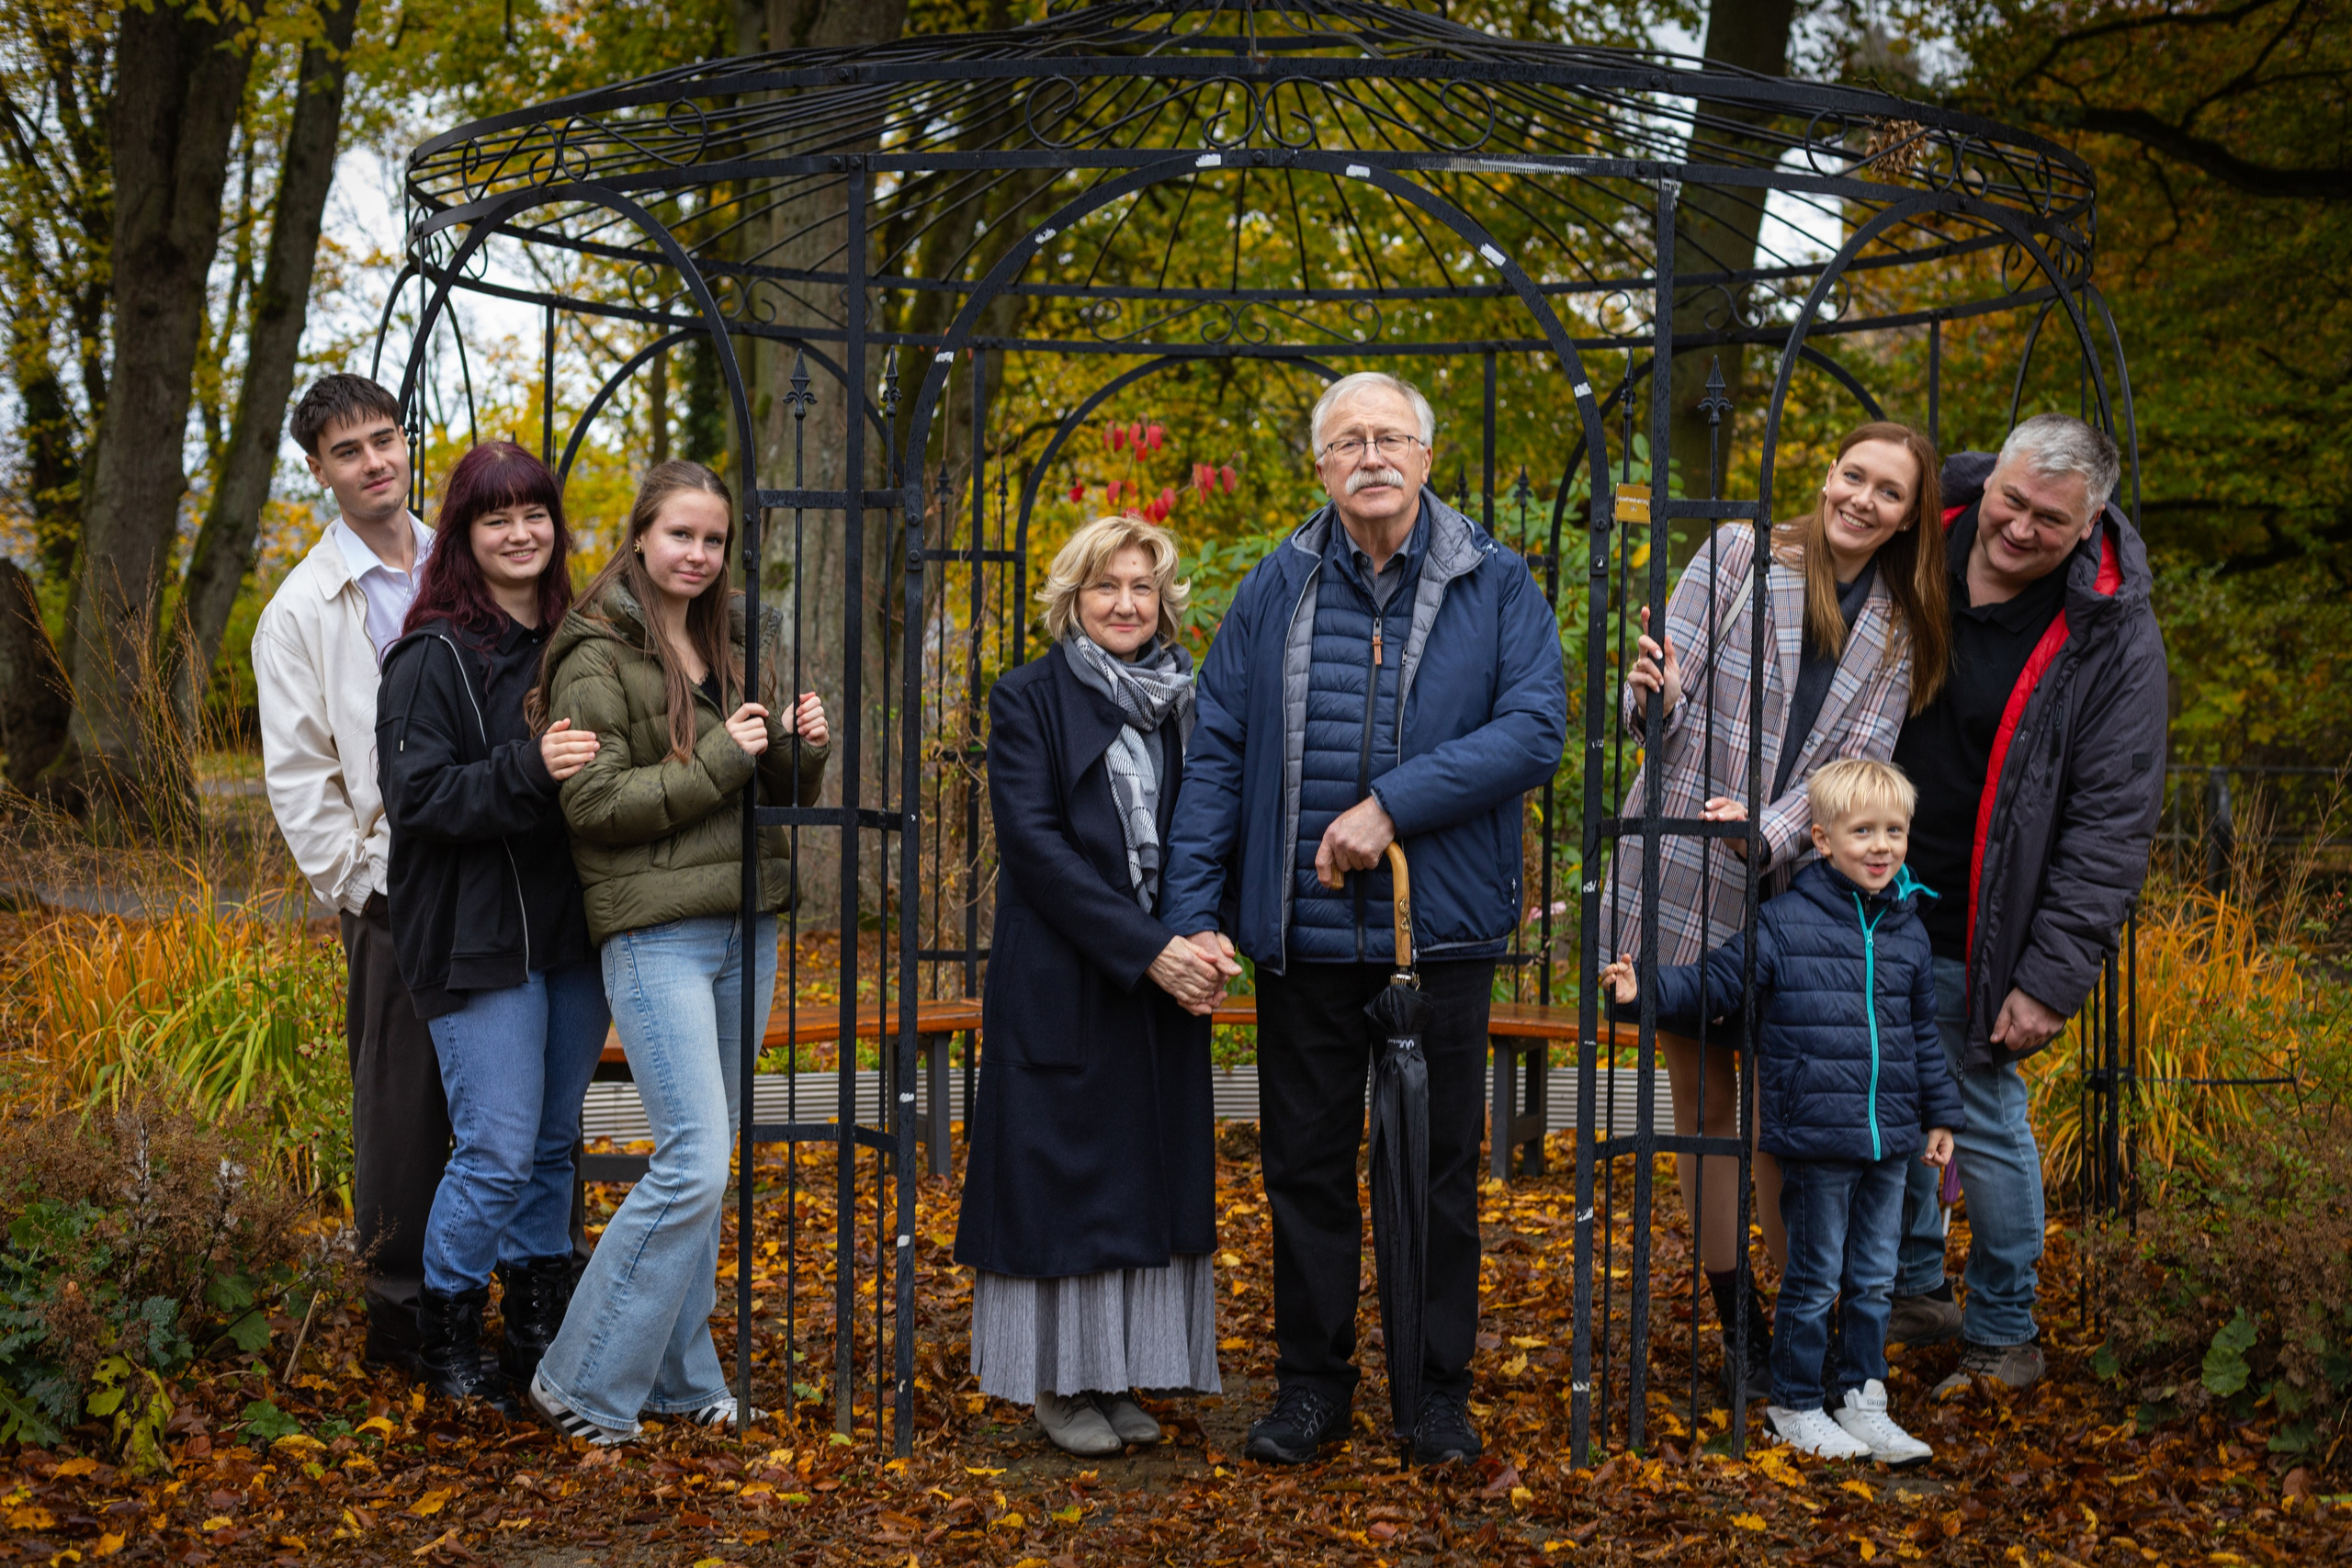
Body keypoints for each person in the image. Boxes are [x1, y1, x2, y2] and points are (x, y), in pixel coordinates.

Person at [1161, 371, 1567, 1467]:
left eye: (1391, 437)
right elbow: (1219, 759)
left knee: (1436, 1169)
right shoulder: (1275, 586)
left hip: (1439, 937)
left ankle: (1435, 1395)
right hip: (1300, 934)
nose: (1371, 456)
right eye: (1349, 442)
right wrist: (1194, 914)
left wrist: (1390, 807)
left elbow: (1535, 730)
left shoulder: (1496, 581)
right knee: (1302, 1165)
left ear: (1427, 459)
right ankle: (1312, 1387)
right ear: (1322, 467)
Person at [1608, 422, 1950, 1401]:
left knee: (1779, 1119)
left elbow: (1857, 768)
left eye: (1888, 492)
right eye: (1852, 476)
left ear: (1909, 515)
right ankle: (1736, 1319)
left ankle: (1810, 1317)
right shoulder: (1737, 555)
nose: (1861, 500)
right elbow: (1655, 711)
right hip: (1676, 863)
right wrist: (1653, 694)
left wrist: (1767, 831)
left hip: (1795, 887)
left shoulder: (1899, 626)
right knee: (1704, 1107)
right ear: (1826, 475)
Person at [524, 459, 831, 1444]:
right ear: (641, 537)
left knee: (712, 1159)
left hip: (749, 921)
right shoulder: (594, 653)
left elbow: (772, 784)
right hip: (655, 933)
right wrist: (723, 758)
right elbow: (598, 806)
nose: (697, 555)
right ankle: (578, 1380)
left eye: (713, 540)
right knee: (695, 1163)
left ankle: (678, 1379)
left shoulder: (736, 641)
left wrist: (799, 745)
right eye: (679, 536)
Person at [1885, 414, 2167, 1394]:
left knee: (1982, 1115)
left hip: (1987, 916)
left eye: (2048, 519)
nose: (2017, 527)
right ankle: (1914, 1290)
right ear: (1989, 477)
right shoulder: (1914, 532)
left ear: (2088, 520)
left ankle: (2004, 1334)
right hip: (1863, 890)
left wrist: (2049, 977)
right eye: (2010, 500)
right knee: (1887, 1102)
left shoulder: (2111, 628)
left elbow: (2110, 820)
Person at [953, 513, 1227, 1457]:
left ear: (1163, 602)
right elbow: (1035, 849)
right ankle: (1057, 1385)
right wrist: (1145, 948)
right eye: (1104, 586)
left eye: (1141, 587)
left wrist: (1197, 938)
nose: (1123, 603)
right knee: (1062, 1181)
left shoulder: (1190, 701)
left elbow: (1207, 830)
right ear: (1072, 598)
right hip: (1065, 975)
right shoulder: (1026, 697)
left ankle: (1115, 1374)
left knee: (1140, 1176)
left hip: (1157, 981)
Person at [1601, 758, 1962, 1462]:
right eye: (1863, 831)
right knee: (1816, 1273)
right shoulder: (1786, 921)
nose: (1882, 846)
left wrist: (1940, 1118)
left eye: (1894, 830)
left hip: (1887, 1139)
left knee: (1873, 1277)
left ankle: (1863, 1397)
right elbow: (1716, 982)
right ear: (1822, 840)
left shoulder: (1908, 930)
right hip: (1817, 1134)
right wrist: (1642, 989)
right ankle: (1795, 1403)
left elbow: (1925, 1035)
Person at [377, 442, 606, 1412]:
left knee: (554, 1146)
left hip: (570, 935)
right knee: (498, 1149)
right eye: (495, 517)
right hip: (476, 941)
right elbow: (417, 799)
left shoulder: (581, 644)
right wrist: (531, 768)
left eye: (535, 515)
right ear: (465, 537)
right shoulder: (430, 657)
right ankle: (450, 1351)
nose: (520, 533)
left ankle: (537, 1336)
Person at [254, 373, 449, 1372]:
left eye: (386, 439)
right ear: (320, 470)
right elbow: (298, 778)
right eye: (348, 450)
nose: (375, 462)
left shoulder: (457, 564)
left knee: (499, 1100)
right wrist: (362, 884)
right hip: (396, 885)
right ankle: (403, 1324)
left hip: (498, 865)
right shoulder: (300, 611)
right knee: (402, 1108)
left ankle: (496, 1307)